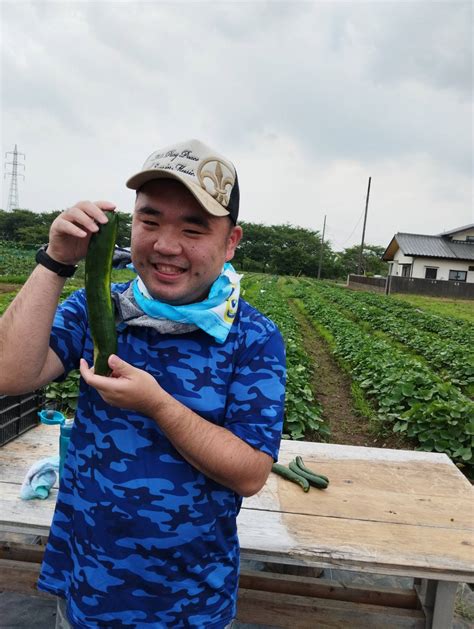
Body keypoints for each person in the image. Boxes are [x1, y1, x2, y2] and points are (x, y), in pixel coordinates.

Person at [0, 139, 286, 628]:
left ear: (231, 241)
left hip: (189, 605)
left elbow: (250, 473)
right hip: (86, 589)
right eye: (149, 222)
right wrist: (55, 262)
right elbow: (11, 373)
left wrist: (158, 405)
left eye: (193, 229)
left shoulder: (252, 339)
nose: (165, 245)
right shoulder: (100, 308)